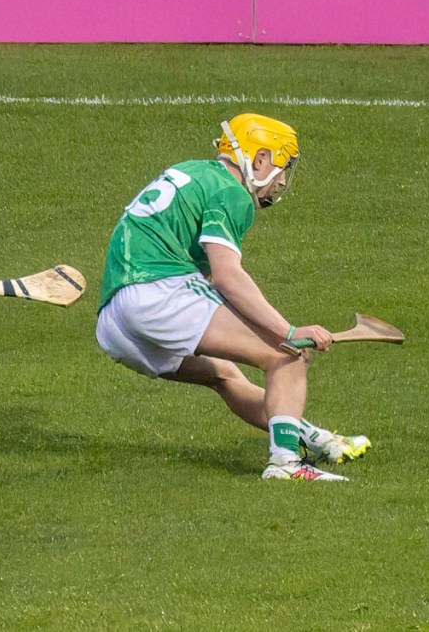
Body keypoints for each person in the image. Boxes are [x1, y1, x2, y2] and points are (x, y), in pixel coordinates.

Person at [95, 113, 371, 481]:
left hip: (115, 318)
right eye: (282, 166)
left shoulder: (191, 171)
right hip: (160, 294)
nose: (282, 180)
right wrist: (287, 331)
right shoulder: (231, 192)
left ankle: (317, 439)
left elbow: (199, 266)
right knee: (288, 354)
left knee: (224, 374)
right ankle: (286, 464)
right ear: (260, 159)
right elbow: (227, 276)